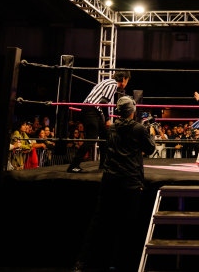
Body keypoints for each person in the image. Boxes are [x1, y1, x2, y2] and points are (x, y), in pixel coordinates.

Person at [74, 96, 155, 272]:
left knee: (100, 222)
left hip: (110, 179)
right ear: (133, 110)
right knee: (128, 224)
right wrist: (147, 131)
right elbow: (150, 149)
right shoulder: (138, 128)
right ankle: (123, 264)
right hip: (130, 180)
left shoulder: (111, 128)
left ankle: (85, 262)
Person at [67, 71, 130, 173]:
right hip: (91, 110)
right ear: (123, 79)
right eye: (127, 81)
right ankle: (74, 165)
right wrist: (107, 119)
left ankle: (104, 165)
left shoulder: (107, 81)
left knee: (105, 136)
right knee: (91, 138)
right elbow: (103, 103)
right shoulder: (113, 84)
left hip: (94, 111)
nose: (126, 83)